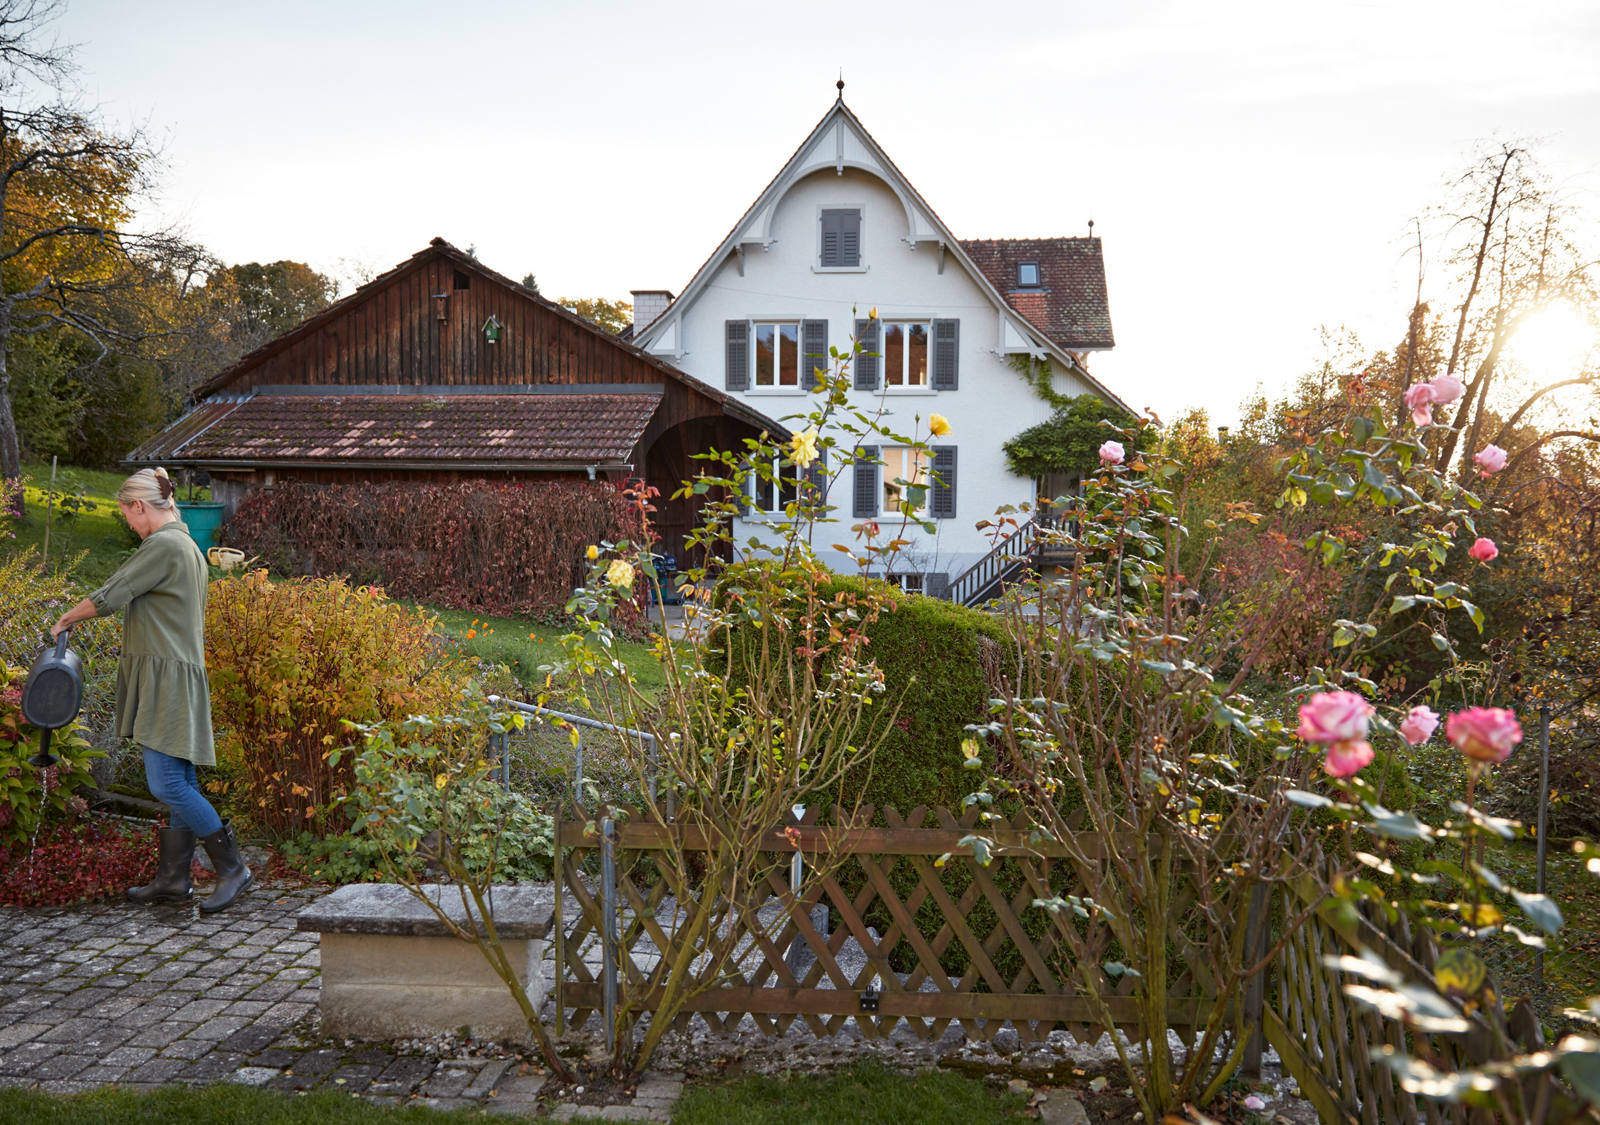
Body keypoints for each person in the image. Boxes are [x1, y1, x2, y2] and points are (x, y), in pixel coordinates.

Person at [51, 467, 251, 913]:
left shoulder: (162, 545)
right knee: (180, 780)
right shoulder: (185, 545)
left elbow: (114, 592)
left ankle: (233, 868)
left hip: (167, 680)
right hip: (178, 675)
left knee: (166, 784)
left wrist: (66, 618)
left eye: (127, 515)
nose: (129, 525)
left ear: (139, 506)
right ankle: (174, 880)